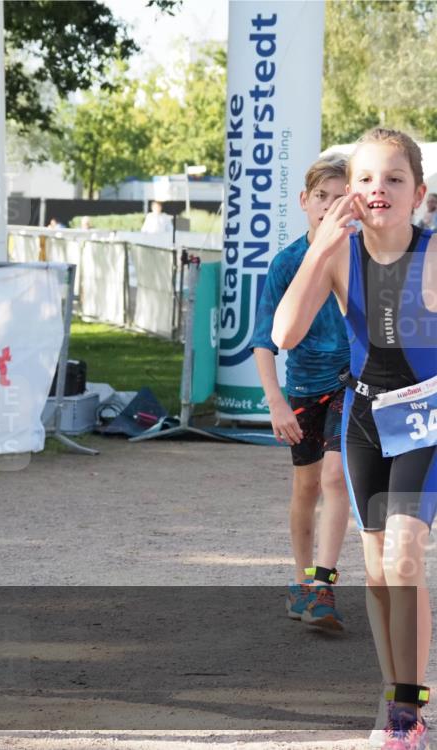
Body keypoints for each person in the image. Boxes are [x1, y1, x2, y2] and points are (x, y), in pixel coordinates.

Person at [273, 128, 435, 749]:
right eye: (365, 180)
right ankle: (398, 689)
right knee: (375, 575)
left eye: (394, 179)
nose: (377, 190)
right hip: (365, 421)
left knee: (402, 561)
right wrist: (320, 247)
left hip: (425, 421)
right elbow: (286, 333)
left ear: (418, 193)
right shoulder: (339, 254)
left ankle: (406, 712)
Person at [249, 155, 350, 631]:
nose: (330, 206)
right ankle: (302, 581)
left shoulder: (366, 255)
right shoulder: (288, 262)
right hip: (305, 388)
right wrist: (275, 401)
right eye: (322, 197)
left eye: (340, 196)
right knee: (307, 486)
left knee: (334, 477)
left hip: (354, 384)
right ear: (305, 202)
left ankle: (323, 587)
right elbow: (265, 339)